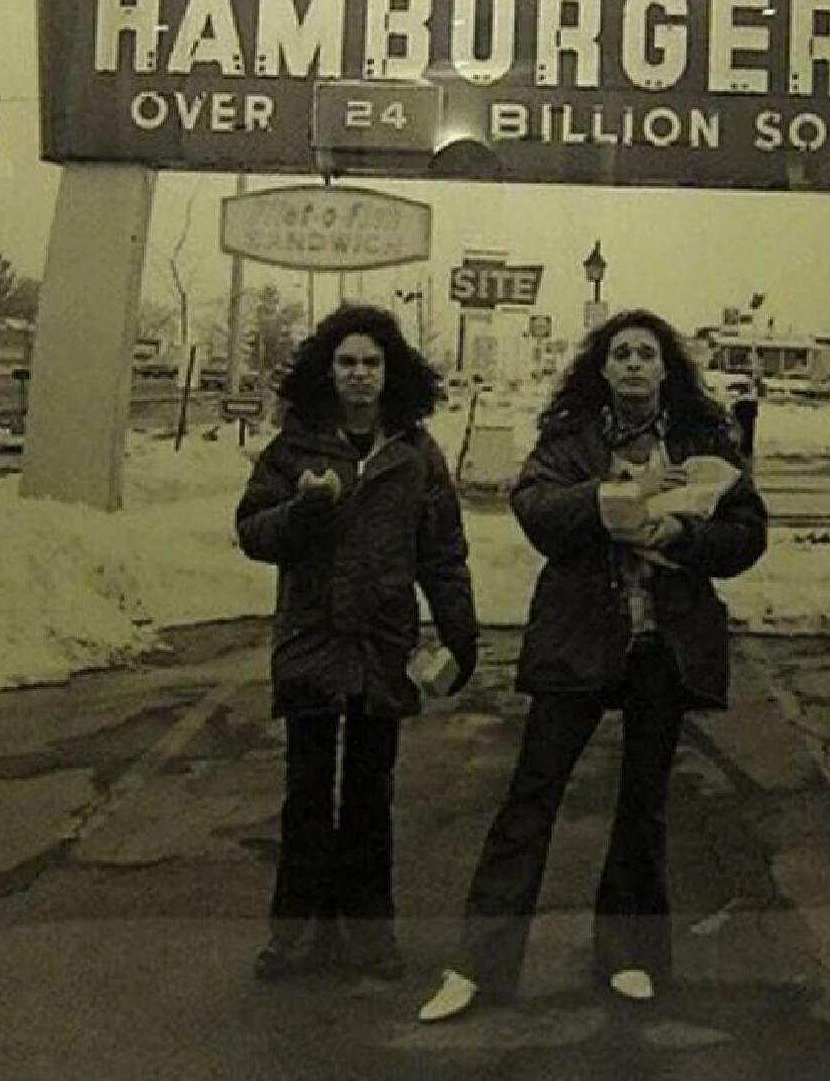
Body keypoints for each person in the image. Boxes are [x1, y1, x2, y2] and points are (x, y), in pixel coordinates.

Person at [420, 308, 768, 1021]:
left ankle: (630, 954)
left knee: (643, 804)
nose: (635, 363)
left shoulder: (704, 439)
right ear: (602, 369)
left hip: (661, 642)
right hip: (578, 634)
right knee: (531, 795)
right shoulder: (570, 437)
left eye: (646, 353)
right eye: (621, 353)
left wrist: (683, 530)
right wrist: (607, 497)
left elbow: (748, 530)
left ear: (665, 368)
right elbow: (535, 508)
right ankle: (478, 967)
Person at [236, 302, 478, 983]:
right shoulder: (295, 445)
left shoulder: (416, 452)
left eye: (372, 362)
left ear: (390, 371)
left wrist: (460, 630)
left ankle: (370, 936)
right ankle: (294, 938)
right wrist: (304, 511)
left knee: (372, 793)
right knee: (307, 793)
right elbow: (254, 529)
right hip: (312, 638)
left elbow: (444, 552)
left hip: (382, 644)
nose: (360, 375)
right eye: (347, 362)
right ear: (327, 369)